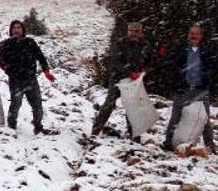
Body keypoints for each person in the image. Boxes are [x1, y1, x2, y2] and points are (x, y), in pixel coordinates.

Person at [91, 22, 152, 137]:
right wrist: (129, 72)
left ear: (141, 32)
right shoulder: (120, 43)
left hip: (134, 80)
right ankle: (95, 130)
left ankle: (133, 134)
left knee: (132, 106)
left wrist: (143, 72)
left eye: (136, 31)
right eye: (131, 31)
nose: (133, 33)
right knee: (109, 104)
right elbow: (116, 61)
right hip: (117, 79)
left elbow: (150, 61)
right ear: (127, 31)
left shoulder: (145, 45)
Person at [162, 24, 216, 152]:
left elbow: (213, 68)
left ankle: (210, 145)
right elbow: (169, 62)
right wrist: (164, 53)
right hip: (183, 89)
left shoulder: (208, 51)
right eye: (192, 33)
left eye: (197, 34)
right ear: (188, 35)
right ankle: (168, 143)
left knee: (205, 118)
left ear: (201, 36)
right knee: (175, 116)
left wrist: (207, 81)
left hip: (201, 89)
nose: (194, 36)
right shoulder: (180, 50)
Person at [0, 20, 56, 135]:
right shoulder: (5, 44)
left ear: (23, 30)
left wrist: (46, 71)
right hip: (15, 80)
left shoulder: (30, 42)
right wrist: (7, 69)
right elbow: (0, 59)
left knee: (37, 104)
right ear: (10, 30)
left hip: (30, 78)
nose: (16, 30)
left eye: (19, 27)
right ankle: (11, 127)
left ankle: (38, 126)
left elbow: (40, 56)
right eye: (14, 28)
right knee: (15, 104)